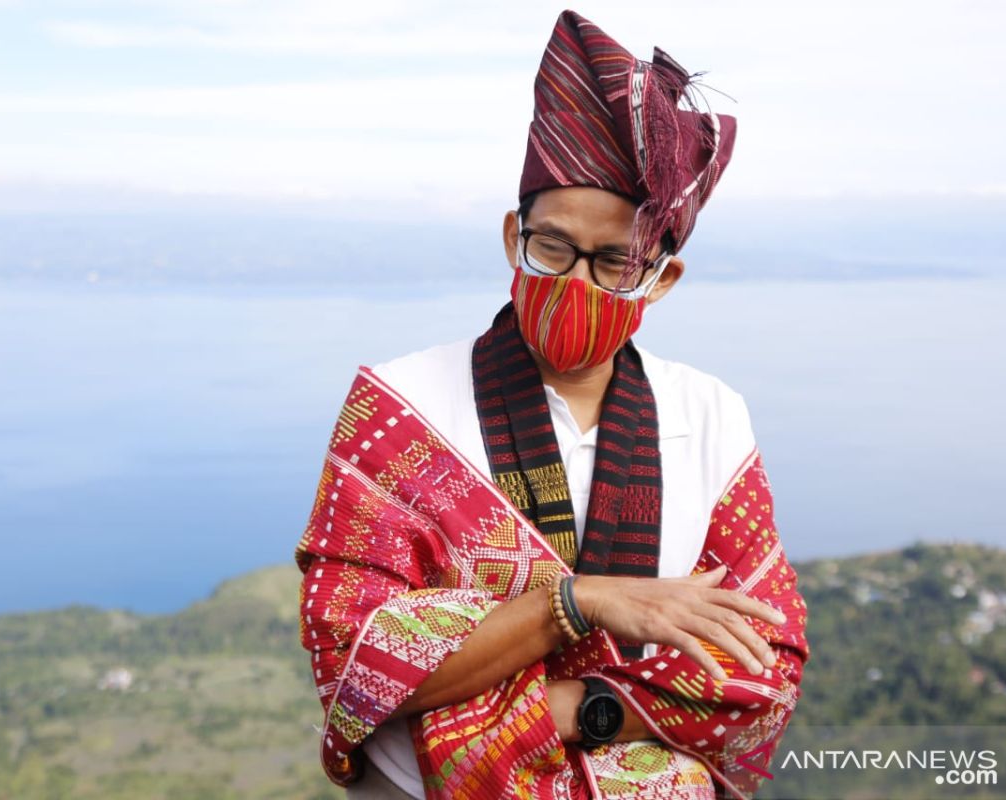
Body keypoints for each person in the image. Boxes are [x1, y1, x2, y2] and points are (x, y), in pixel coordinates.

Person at [294, 10, 810, 799]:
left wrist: (569, 709)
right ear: (514, 237)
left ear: (660, 278)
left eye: (612, 262)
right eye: (552, 248)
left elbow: (763, 663)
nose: (575, 283)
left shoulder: (707, 417)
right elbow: (356, 666)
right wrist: (577, 601)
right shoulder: (399, 406)